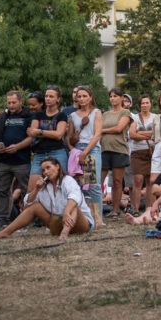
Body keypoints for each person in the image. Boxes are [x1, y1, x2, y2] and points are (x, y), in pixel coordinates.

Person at [0, 157, 93, 241]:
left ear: (57, 166)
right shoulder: (44, 187)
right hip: (58, 222)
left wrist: (66, 212)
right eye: (43, 170)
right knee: (34, 207)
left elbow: (75, 196)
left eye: (48, 168)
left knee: (73, 206)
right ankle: (6, 232)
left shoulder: (67, 180)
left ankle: (65, 233)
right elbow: (27, 204)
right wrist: (36, 189)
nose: (46, 172)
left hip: (80, 224)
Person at [0, 91, 33, 228]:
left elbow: (32, 137)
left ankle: (29, 217)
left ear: (21, 102)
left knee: (27, 190)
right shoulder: (2, 117)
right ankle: (2, 218)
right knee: (2, 191)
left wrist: (18, 147)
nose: (11, 105)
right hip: (3, 160)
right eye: (9, 103)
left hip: (21, 160)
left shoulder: (28, 116)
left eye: (14, 102)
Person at [68, 85, 103, 229]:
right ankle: (85, 218)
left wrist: (85, 152)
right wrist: (73, 151)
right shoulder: (73, 115)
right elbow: (69, 137)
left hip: (91, 148)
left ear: (90, 97)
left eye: (84, 96)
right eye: (79, 96)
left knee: (93, 184)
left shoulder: (96, 112)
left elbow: (97, 134)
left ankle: (97, 218)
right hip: (77, 149)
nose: (81, 99)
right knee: (81, 184)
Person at [27, 86, 69, 194]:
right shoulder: (38, 114)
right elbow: (32, 133)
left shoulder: (62, 115)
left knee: (59, 186)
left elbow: (59, 135)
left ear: (58, 99)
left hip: (57, 153)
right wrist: (50, 133)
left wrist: (40, 132)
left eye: (51, 96)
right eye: (46, 96)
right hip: (39, 154)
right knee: (32, 189)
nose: (48, 98)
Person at [101, 88, 133, 219]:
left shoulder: (125, 112)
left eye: (115, 96)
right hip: (104, 149)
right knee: (98, 181)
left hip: (119, 149)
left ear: (121, 98)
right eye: (111, 96)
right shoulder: (105, 114)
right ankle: (96, 209)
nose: (112, 98)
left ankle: (115, 211)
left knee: (117, 181)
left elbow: (119, 128)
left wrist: (103, 130)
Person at [128, 95, 156, 217]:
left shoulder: (156, 117)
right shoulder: (134, 117)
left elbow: (156, 133)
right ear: (139, 105)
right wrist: (149, 135)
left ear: (150, 104)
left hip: (151, 152)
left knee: (150, 181)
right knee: (138, 180)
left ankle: (149, 209)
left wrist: (140, 133)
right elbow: (132, 134)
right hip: (137, 152)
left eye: (146, 102)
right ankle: (135, 209)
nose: (144, 105)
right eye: (142, 103)